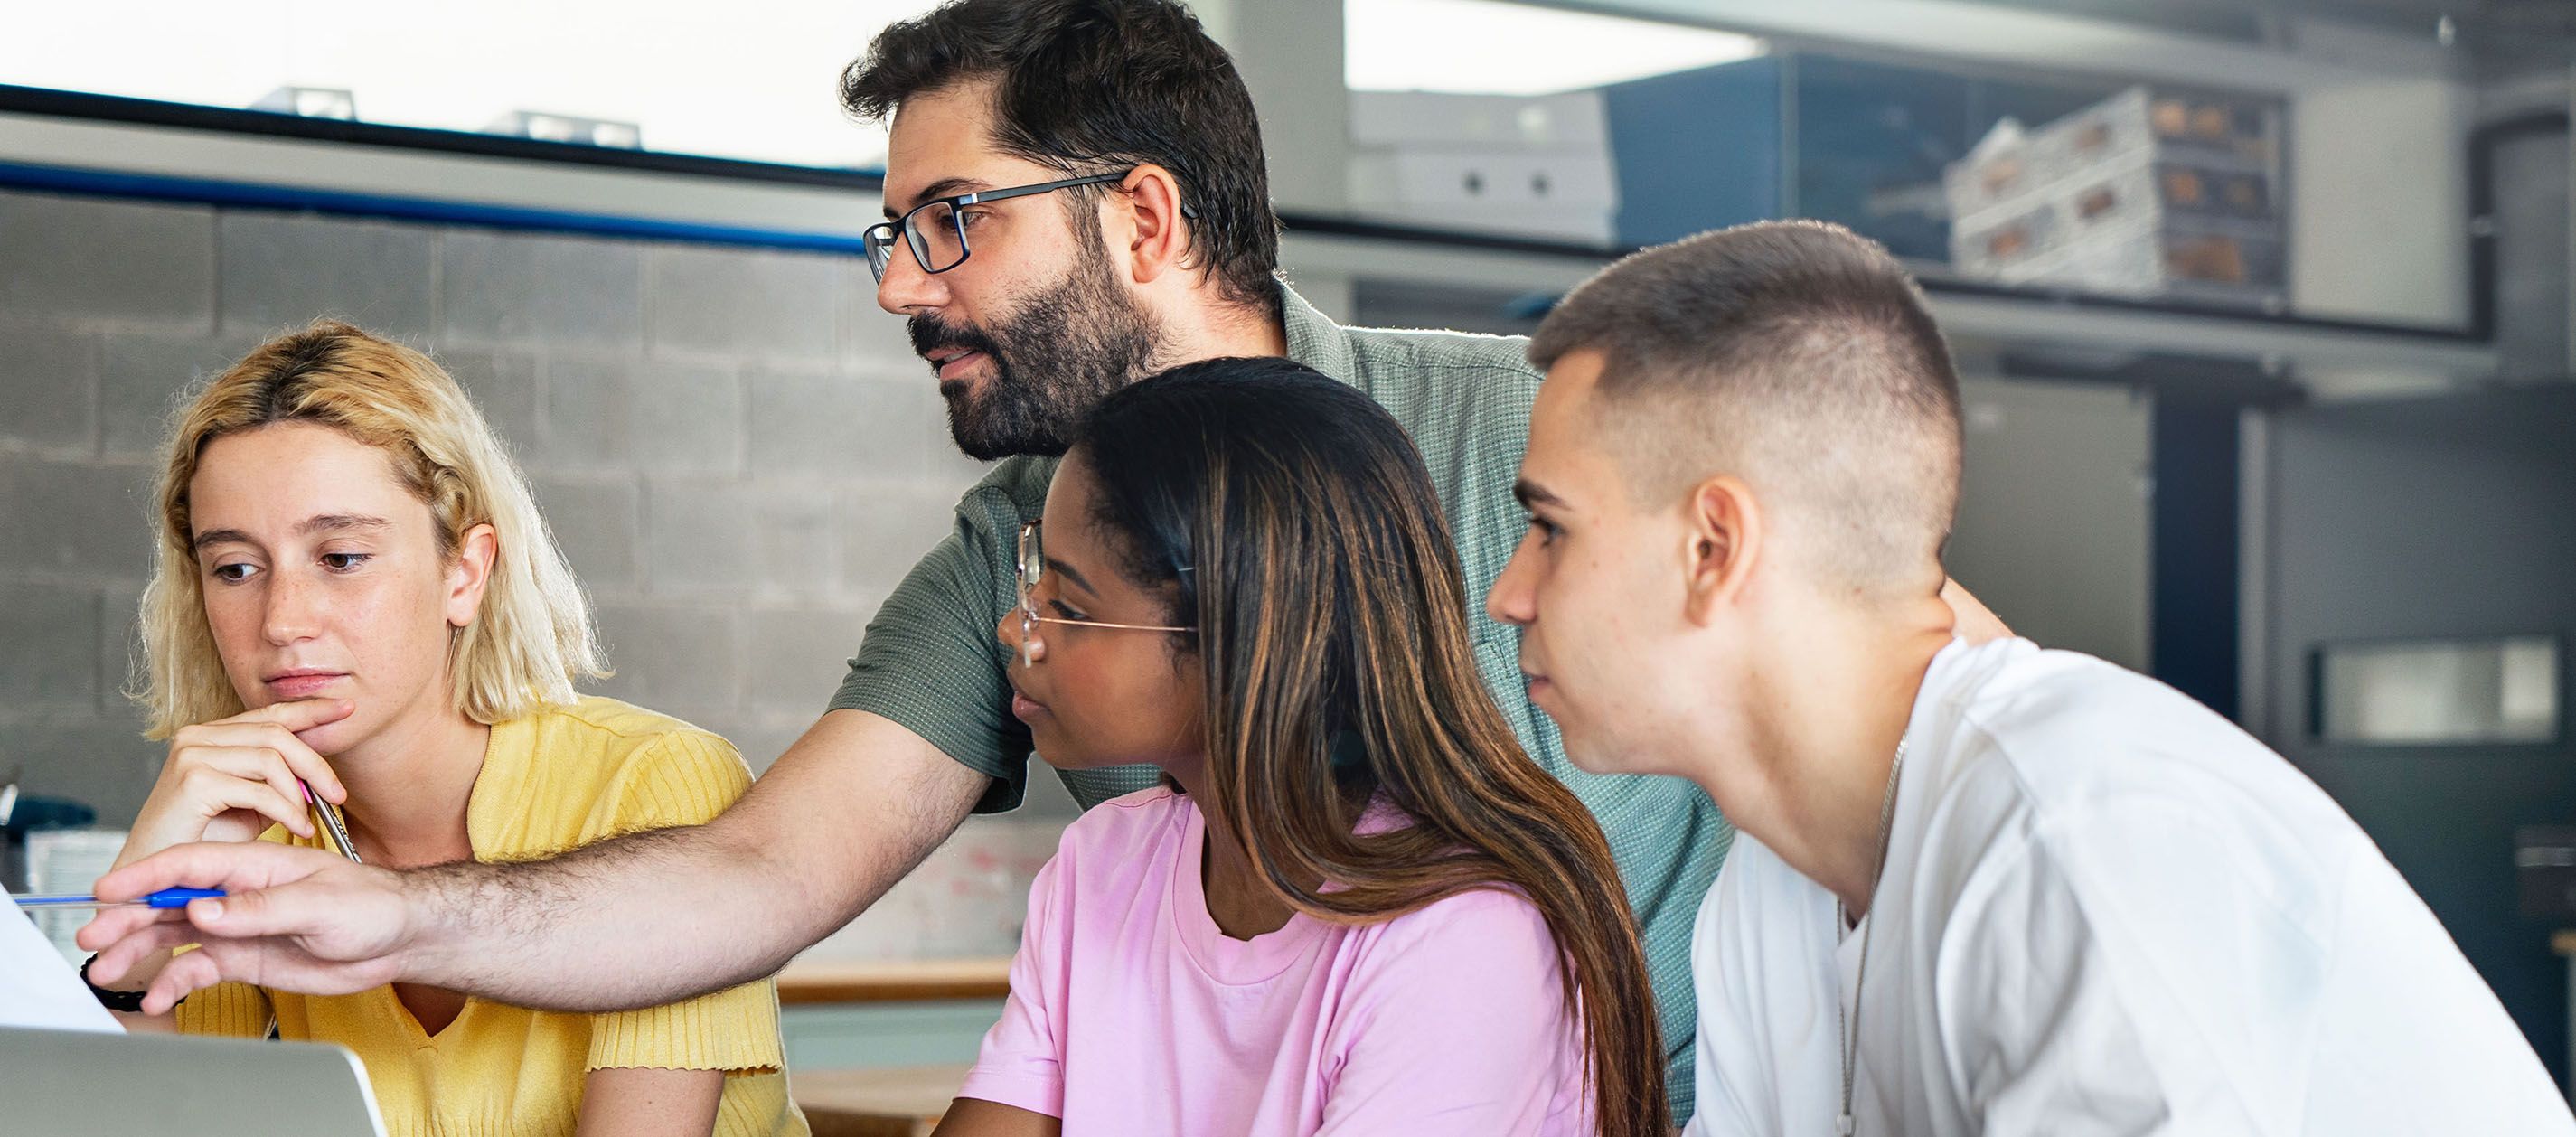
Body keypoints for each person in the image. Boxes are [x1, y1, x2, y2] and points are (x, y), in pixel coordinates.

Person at [82, 2, 1999, 1121]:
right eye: (888, 234)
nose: (905, 287)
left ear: (1143, 214)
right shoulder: (1017, 578)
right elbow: (763, 867)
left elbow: (1925, 672)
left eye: (949, 222)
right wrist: (370, 918)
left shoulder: (1538, 432)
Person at [1482, 219, 2574, 1136]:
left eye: (1550, 528)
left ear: (1714, 549)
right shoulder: (1768, 903)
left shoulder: (2082, 839)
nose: (1508, 593)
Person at [93, 323, 807, 1137]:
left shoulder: (654, 783)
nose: (284, 622)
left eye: (341, 558)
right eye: (236, 569)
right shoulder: (261, 839)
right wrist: (144, 909)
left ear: (463, 573)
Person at [936, 357, 1660, 1136]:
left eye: (1069, 607)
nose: (1017, 630)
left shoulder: (1463, 936)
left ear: (1240, 639)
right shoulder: (1102, 865)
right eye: (1032, 582)